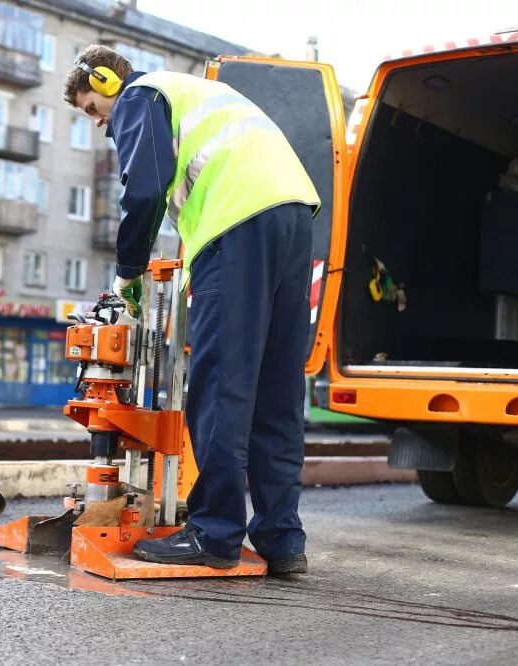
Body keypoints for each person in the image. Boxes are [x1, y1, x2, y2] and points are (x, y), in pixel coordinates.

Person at [63, 45, 320, 575]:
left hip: (236, 223)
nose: (96, 123)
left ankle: (215, 532)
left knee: (221, 381)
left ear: (109, 82)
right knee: (276, 387)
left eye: (92, 108)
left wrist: (126, 274)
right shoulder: (196, 94)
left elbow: (146, 189)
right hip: (294, 218)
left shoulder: (140, 95)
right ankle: (281, 538)